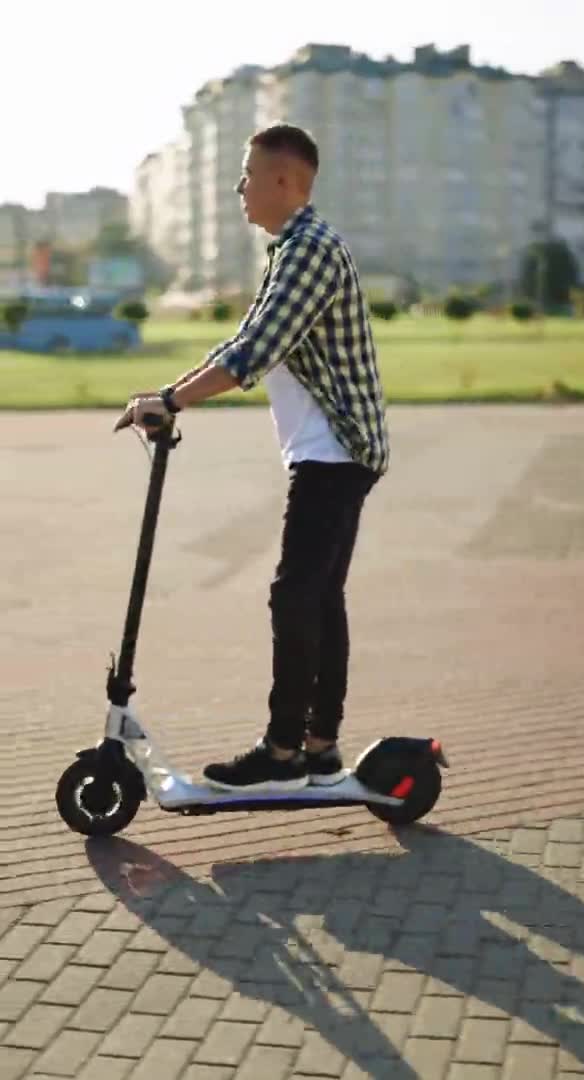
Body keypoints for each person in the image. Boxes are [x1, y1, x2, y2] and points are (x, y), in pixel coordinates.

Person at [116, 123, 389, 792]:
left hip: (336, 451)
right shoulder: (295, 248)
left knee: (296, 594)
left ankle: (284, 750)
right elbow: (240, 341)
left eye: (248, 174)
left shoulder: (311, 251)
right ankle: (319, 748)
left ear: (286, 181)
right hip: (333, 450)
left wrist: (172, 403)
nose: (239, 186)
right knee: (318, 597)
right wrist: (167, 394)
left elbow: (250, 354)